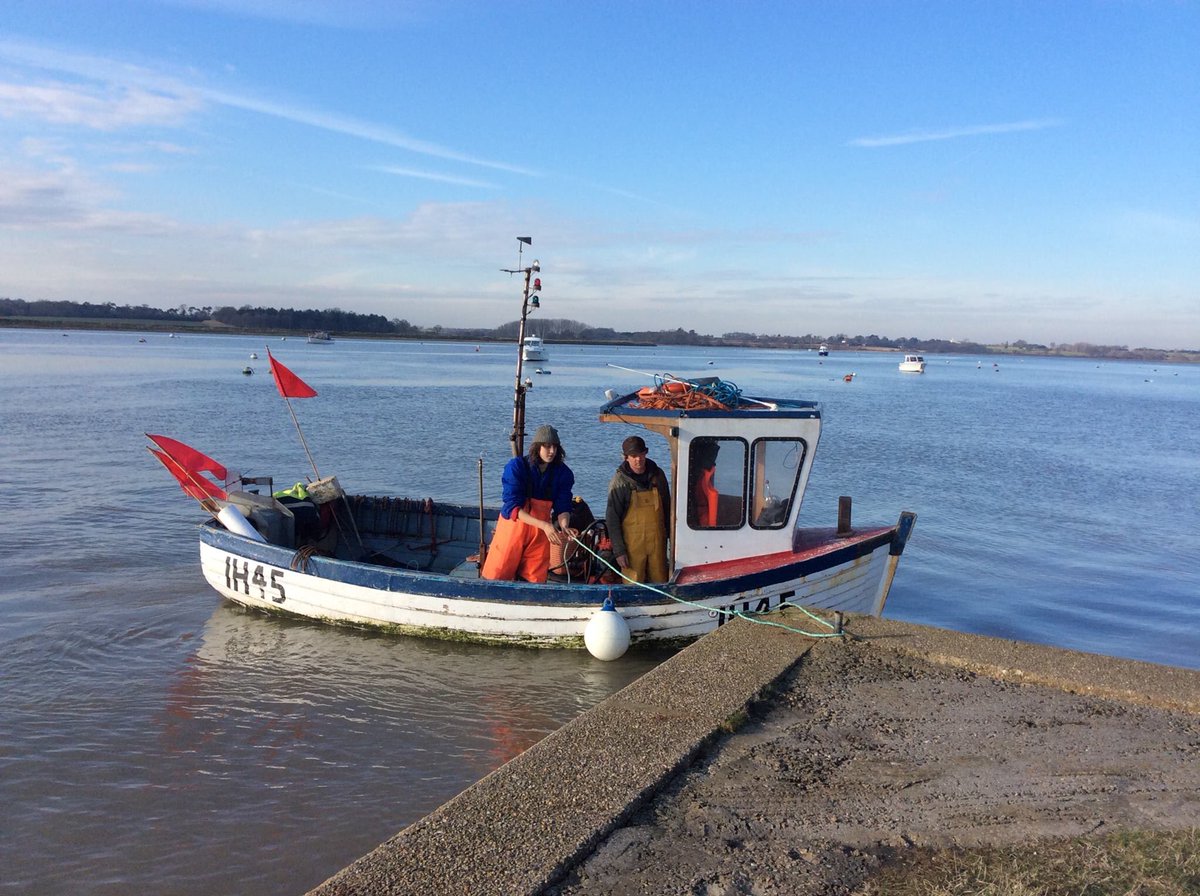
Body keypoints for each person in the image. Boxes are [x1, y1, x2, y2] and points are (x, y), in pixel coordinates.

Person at [481, 424, 577, 583]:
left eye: (555, 447)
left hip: (540, 534)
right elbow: (512, 507)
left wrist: (564, 525)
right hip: (514, 527)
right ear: (537, 447)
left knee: (534, 578)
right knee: (497, 574)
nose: (552, 451)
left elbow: (563, 505)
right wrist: (545, 525)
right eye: (547, 446)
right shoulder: (517, 467)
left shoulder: (563, 473)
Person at [605, 435, 671, 583]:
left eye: (641, 454)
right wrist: (619, 551)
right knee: (632, 583)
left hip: (657, 543)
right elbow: (612, 519)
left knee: (661, 581)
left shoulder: (658, 476)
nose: (638, 459)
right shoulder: (619, 483)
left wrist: (673, 540)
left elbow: (668, 509)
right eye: (633, 456)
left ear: (646, 453)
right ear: (625, 457)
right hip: (631, 547)